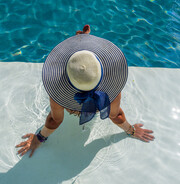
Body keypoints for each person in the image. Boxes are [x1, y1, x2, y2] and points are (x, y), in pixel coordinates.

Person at [16, 25, 154, 158]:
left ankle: (81, 43)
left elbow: (54, 120)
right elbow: (116, 115)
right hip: (96, 102)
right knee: (87, 65)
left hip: (72, 105)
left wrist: (39, 138)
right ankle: (83, 43)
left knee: (80, 66)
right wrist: (132, 131)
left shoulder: (58, 92)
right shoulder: (110, 92)